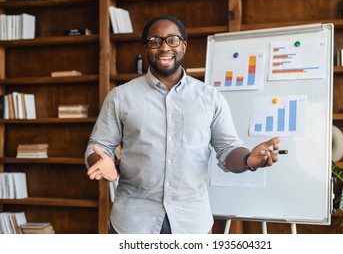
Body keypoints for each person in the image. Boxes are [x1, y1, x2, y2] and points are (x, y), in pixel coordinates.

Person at [84, 15, 282, 234]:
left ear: (184, 46)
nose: (164, 48)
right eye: (155, 41)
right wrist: (102, 159)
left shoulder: (210, 98)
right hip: (133, 222)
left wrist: (248, 159)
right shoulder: (120, 97)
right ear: (146, 48)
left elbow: (228, 149)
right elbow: (99, 146)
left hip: (192, 222)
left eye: (172, 40)